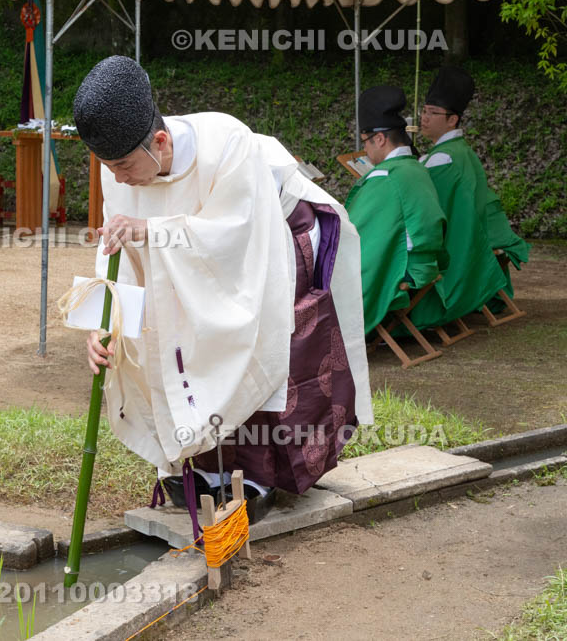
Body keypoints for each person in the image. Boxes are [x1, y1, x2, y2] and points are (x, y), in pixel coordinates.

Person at [74, 56, 372, 523]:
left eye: (123, 165)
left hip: (276, 239)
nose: (117, 179)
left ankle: (257, 473)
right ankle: (199, 465)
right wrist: (104, 326)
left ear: (159, 142)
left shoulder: (227, 143)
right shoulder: (126, 172)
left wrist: (152, 232)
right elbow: (120, 262)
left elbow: (236, 237)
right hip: (191, 261)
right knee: (164, 336)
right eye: (106, 167)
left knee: (242, 334)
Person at [419, 66, 531, 302]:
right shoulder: (459, 151)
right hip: (475, 233)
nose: (424, 118)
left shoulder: (444, 158)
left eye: (432, 113)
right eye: (424, 111)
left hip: (458, 243)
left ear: (452, 120)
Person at [344, 85, 450, 333]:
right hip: (426, 262)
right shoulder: (415, 167)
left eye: (366, 143)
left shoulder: (385, 177)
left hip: (403, 267)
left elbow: (358, 232)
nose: (366, 151)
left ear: (379, 139)